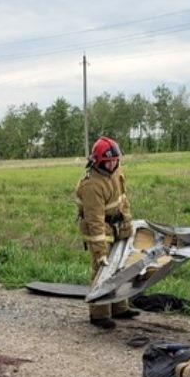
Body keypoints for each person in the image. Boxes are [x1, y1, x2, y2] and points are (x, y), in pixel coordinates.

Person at [75, 136, 140, 330]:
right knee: (102, 270)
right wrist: (100, 251)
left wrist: (127, 222)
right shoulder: (91, 185)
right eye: (108, 161)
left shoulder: (117, 171)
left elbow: (122, 199)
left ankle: (120, 307)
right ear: (97, 162)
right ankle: (99, 314)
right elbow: (95, 221)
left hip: (117, 226)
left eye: (115, 160)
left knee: (120, 267)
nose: (112, 164)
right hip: (99, 229)